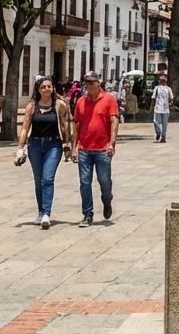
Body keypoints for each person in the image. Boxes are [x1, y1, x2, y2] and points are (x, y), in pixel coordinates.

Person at [16, 77, 73, 229]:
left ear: (53, 88)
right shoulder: (32, 106)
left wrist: (67, 144)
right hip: (35, 145)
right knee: (38, 181)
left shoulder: (59, 105)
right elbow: (25, 128)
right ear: (38, 90)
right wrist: (20, 148)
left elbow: (65, 126)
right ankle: (41, 211)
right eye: (43, 87)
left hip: (53, 145)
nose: (46, 89)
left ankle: (46, 213)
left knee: (47, 179)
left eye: (49, 86)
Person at [73, 72, 118, 227]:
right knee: (84, 182)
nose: (90, 85)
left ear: (99, 83)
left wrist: (112, 143)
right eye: (87, 82)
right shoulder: (80, 102)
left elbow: (114, 121)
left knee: (104, 180)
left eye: (92, 82)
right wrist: (74, 147)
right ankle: (87, 214)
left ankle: (107, 200)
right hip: (84, 149)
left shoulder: (109, 99)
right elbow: (77, 126)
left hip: (103, 149)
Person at [151, 76, 174, 143]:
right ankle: (158, 132)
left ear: (166, 81)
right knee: (156, 121)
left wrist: (170, 103)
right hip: (157, 108)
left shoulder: (168, 89)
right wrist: (151, 106)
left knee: (164, 124)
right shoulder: (156, 88)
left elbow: (171, 98)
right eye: (161, 80)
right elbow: (153, 97)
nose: (162, 81)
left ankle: (163, 137)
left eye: (163, 80)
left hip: (166, 109)